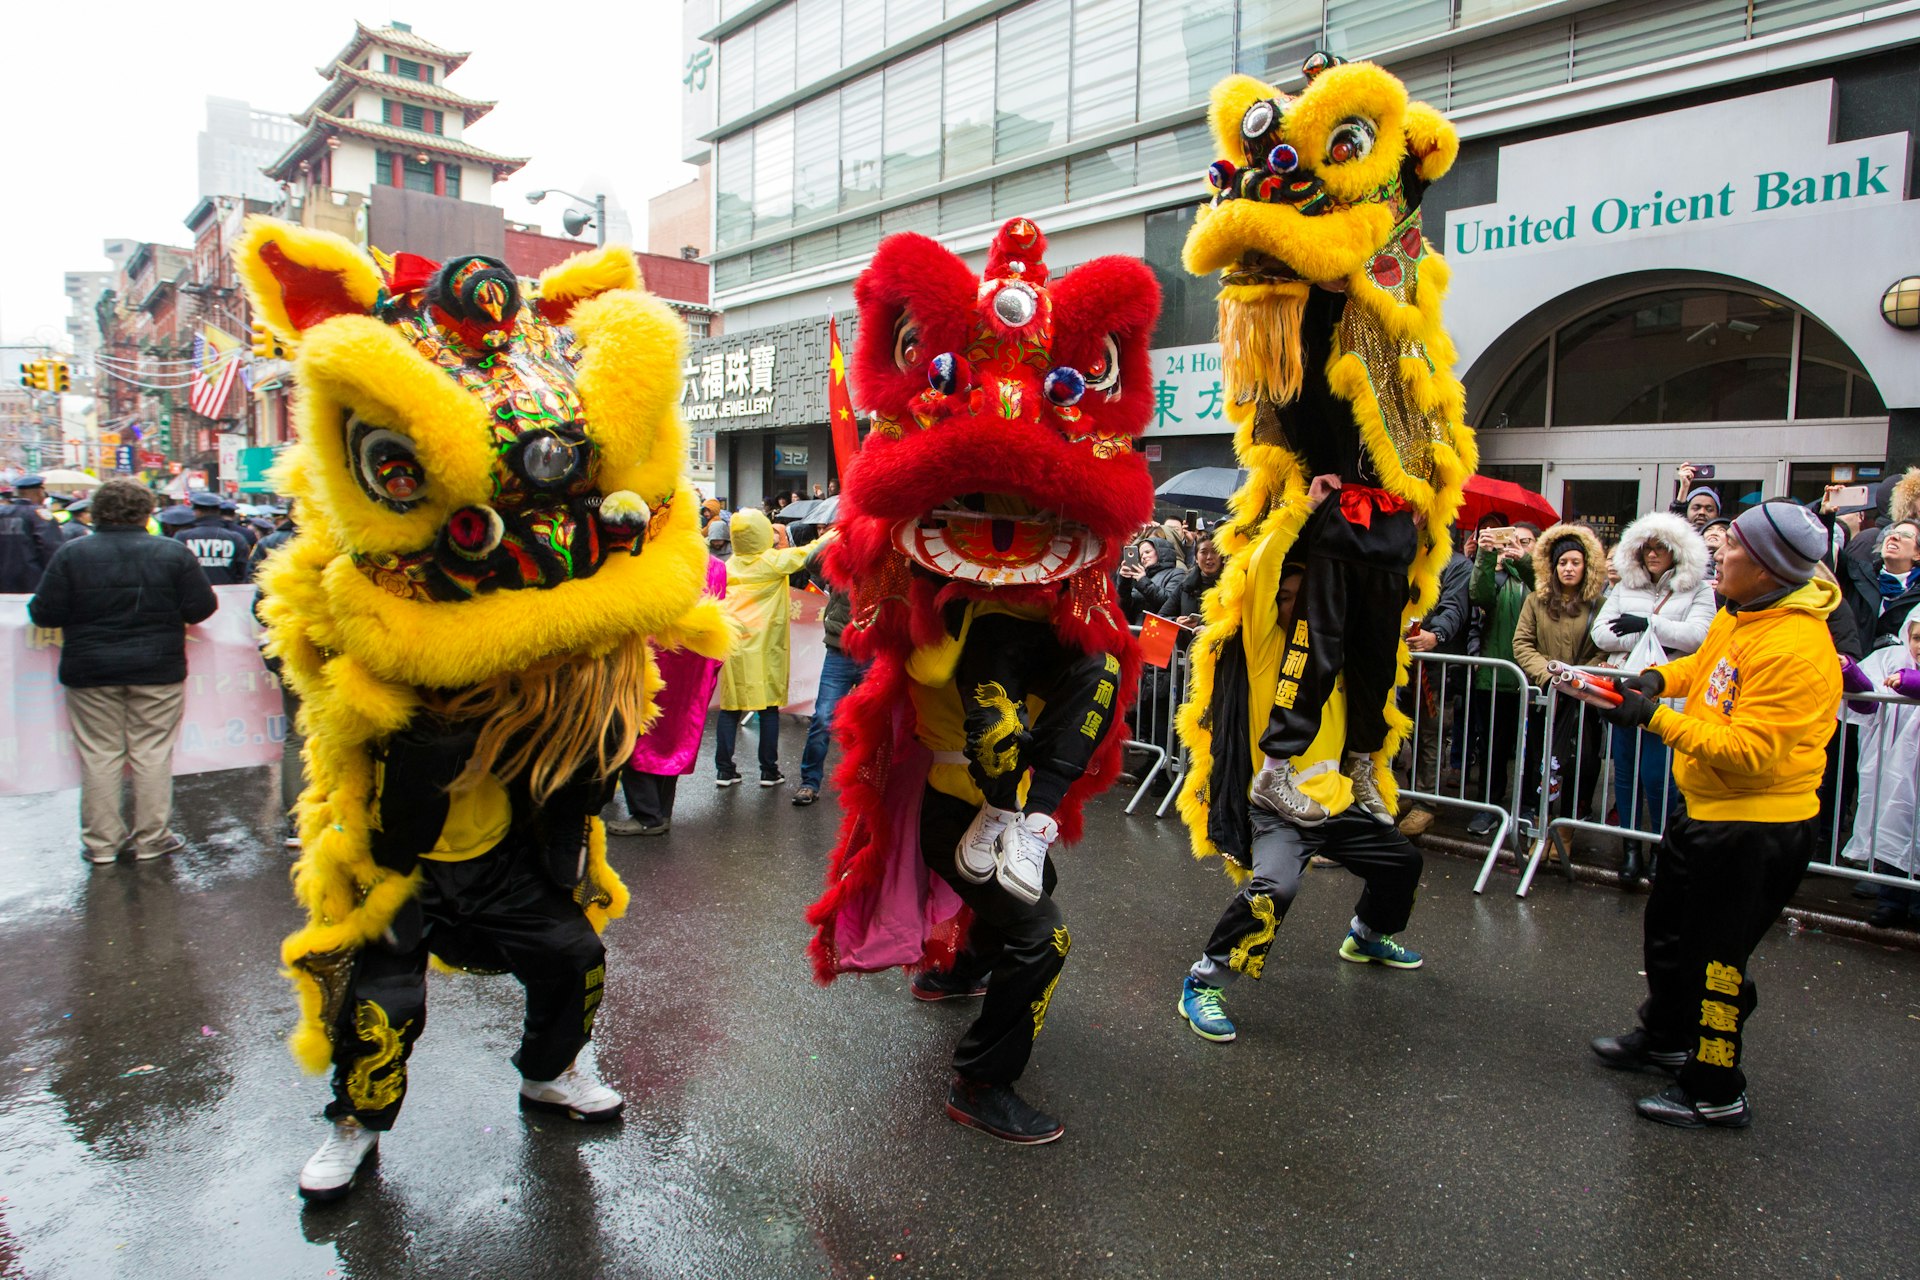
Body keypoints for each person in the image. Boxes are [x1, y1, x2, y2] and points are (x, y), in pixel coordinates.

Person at [1590, 499, 1841, 1128]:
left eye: (1732, 548)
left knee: (1718, 964)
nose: (1718, 554)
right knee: (1669, 937)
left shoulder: (1796, 647)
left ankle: (1716, 1087)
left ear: (1767, 567)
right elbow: (1704, 670)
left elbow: (1752, 753)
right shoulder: (1745, 613)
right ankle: (1667, 1037)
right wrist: (1654, 681)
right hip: (1703, 809)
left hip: (1754, 828)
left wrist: (1653, 719)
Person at [1177, 562, 1427, 1044]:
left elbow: (1382, 605)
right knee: (1274, 890)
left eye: (1307, 596)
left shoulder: (1339, 654)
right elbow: (1264, 572)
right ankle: (1203, 982)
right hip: (1278, 809)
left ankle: (1368, 936)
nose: (1297, 606)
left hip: (1338, 803)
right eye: (1287, 597)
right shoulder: (1267, 649)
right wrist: (1300, 508)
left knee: (1403, 862)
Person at [25, 479, 217, 864]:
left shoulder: (71, 554)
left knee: (100, 755)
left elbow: (44, 612)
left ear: (97, 512)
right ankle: (152, 838)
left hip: (90, 668)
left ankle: (101, 844)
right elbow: (200, 607)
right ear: (147, 513)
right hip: (158, 668)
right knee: (152, 753)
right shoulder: (172, 554)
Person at [1591, 513, 1715, 882]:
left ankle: (1663, 847)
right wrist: (1646, 635)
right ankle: (1630, 848)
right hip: (1627, 690)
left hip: (1669, 696)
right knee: (1625, 773)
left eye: (1660, 547)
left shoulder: (1699, 590)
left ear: (1677, 551)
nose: (1652, 554)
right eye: (1646, 547)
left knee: (1659, 776)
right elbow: (1602, 635)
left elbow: (1699, 637)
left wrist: (1649, 625)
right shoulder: (1625, 588)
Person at [610, 555, 729, 836]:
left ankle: (647, 814)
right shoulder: (714, 566)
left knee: (636, 732)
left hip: (653, 662)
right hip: (694, 668)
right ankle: (660, 812)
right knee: (674, 738)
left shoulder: (648, 560)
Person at [1512, 524, 1607, 823]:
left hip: (1584, 699)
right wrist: (1549, 675)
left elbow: (1605, 647)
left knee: (1582, 763)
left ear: (1586, 566)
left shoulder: (1600, 605)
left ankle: (1567, 828)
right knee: (1541, 760)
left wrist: (1583, 678)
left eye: (1575, 562)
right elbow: (1523, 643)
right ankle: (1539, 823)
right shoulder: (1535, 601)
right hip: (1547, 696)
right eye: (1562, 562)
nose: (1568, 568)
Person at [714, 508, 815, 786]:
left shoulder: (728, 566)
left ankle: (724, 769)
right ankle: (769, 771)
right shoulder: (772, 562)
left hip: (733, 646)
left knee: (730, 707)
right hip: (766, 646)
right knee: (768, 707)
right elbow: (811, 551)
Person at [1837, 604, 1920, 929]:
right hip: (1893, 767)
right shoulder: (1890, 659)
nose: (1918, 646)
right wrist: (1850, 673)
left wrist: (1909, 682)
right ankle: (1892, 901)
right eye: (1915, 638)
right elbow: (1868, 700)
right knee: (1891, 824)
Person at [1397, 530, 1474, 837]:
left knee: (1430, 732)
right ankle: (1413, 791)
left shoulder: (1457, 565)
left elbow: (1454, 608)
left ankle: (1426, 803)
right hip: (1401, 660)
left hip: (1436, 664)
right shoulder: (1408, 560)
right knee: (1402, 729)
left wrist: (1435, 635)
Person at [1465, 521, 1538, 835]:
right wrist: (1484, 554)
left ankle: (1528, 810)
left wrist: (1522, 559)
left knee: (1533, 748)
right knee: (1493, 747)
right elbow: (1477, 595)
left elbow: (1545, 591)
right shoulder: (1497, 577)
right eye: (1513, 539)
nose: (1517, 545)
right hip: (1496, 678)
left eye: (1527, 541)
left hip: (1534, 677)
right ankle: (1489, 807)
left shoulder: (1539, 577)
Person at [794, 538, 863, 807]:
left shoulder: (888, 551)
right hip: (840, 650)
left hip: (876, 649)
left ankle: (872, 786)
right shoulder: (843, 550)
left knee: (878, 724)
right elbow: (811, 562)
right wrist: (842, 535)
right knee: (823, 718)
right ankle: (809, 782)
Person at [0, 473, 63, 593]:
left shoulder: (2, 512)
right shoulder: (39, 515)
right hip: (31, 583)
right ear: (39, 492)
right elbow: (51, 549)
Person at [174, 491, 252, 584]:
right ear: (219, 511)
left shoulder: (182, 537)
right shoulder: (236, 538)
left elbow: (175, 569)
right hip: (229, 595)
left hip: (193, 595)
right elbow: (243, 572)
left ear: (197, 512)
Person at [1116, 533, 1183, 623]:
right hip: (1136, 630)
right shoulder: (1140, 577)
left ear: (1161, 552)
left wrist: (1143, 582)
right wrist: (1124, 582)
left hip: (1159, 631)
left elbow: (1170, 602)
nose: (1143, 557)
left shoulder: (1177, 573)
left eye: (1147, 552)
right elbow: (1124, 609)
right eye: (1141, 555)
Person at [1670, 465, 1721, 530]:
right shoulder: (1678, 538)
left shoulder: (1721, 539)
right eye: (1696, 508)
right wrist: (1684, 487)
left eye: (1709, 509)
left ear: (1717, 515)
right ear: (1686, 512)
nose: (1702, 512)